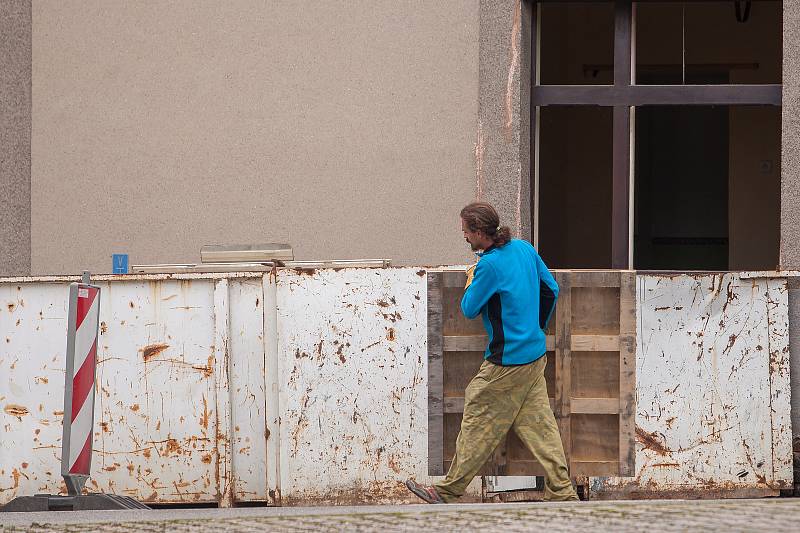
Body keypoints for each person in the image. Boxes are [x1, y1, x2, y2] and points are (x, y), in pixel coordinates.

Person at [406, 201, 578, 503]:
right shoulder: (525, 248)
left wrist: (472, 276)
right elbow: (551, 289)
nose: (464, 237)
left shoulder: (488, 265)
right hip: (534, 355)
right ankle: (563, 492)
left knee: (476, 415)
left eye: (466, 231)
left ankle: (447, 491)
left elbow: (469, 308)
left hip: (506, 361)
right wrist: (535, 328)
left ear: (480, 232)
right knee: (539, 426)